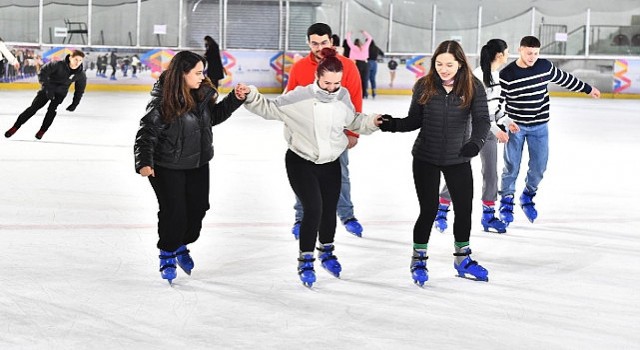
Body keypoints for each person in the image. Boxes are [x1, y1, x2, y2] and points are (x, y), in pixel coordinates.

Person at [242, 48, 384, 287]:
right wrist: (249, 95)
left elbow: (354, 121)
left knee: (329, 210)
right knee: (314, 209)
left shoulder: (343, 96)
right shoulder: (300, 97)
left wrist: (373, 122)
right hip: (301, 161)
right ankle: (305, 259)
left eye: (336, 83)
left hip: (330, 163)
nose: (331, 87)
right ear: (318, 77)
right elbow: (270, 108)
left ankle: (327, 252)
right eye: (327, 82)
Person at [379, 40, 491, 285]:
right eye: (439, 64)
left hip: (458, 157)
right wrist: (392, 125)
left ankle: (462, 259)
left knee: (463, 209)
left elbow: (482, 119)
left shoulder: (473, 86)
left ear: (460, 63)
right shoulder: (424, 85)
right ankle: (418, 258)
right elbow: (413, 120)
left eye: (449, 64)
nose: (444, 69)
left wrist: (476, 142)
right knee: (428, 210)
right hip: (426, 157)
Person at [133, 51, 246, 284]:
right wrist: (144, 162)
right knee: (174, 212)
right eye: (197, 72)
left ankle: (181, 243)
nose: (202, 77)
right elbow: (146, 134)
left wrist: (234, 99)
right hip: (167, 165)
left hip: (198, 162)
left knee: (198, 209)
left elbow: (212, 117)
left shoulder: (201, 94)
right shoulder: (163, 100)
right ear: (182, 74)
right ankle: (167, 252)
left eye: (202, 72)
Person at [497, 36, 601, 224]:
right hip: (515, 127)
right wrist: (499, 126)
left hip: (540, 126)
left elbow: (566, 79)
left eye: (536, 53)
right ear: (520, 50)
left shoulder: (544, 66)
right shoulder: (508, 74)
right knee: (512, 166)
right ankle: (506, 201)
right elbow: (498, 101)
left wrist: (587, 88)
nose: (532, 57)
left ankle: (528, 196)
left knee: (539, 167)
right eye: (529, 53)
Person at [286, 22, 364, 239]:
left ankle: (347, 215)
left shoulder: (347, 66)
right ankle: (301, 218)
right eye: (314, 43)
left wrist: (353, 132)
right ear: (308, 43)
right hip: (306, 136)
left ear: (331, 41)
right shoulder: (300, 67)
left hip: (336, 134)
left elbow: (355, 100)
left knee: (342, 174)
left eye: (323, 42)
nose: (319, 47)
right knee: (303, 178)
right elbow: (290, 101)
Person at [434, 39, 512, 234]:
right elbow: (477, 112)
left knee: (491, 172)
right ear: (499, 55)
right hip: (470, 131)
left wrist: (508, 120)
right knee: (459, 171)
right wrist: (496, 130)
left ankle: (488, 215)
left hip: (489, 130)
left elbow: (494, 108)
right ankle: (442, 209)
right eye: (507, 52)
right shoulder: (476, 77)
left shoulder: (496, 76)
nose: (508, 56)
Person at [4, 49, 86, 140]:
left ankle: (42, 131)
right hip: (47, 88)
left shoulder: (81, 74)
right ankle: (15, 127)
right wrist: (47, 89)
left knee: (52, 110)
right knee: (33, 108)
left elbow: (80, 90)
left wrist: (75, 103)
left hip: (60, 93)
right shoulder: (58, 64)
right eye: (76, 59)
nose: (77, 62)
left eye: (80, 60)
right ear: (70, 58)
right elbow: (43, 72)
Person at [345, 30, 372, 99]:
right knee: (365, 79)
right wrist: (364, 32)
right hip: (365, 63)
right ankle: (364, 93)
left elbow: (348, 41)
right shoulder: (365, 47)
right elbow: (370, 38)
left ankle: (357, 93)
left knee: (357, 79)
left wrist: (349, 33)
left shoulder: (354, 47)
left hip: (357, 64)